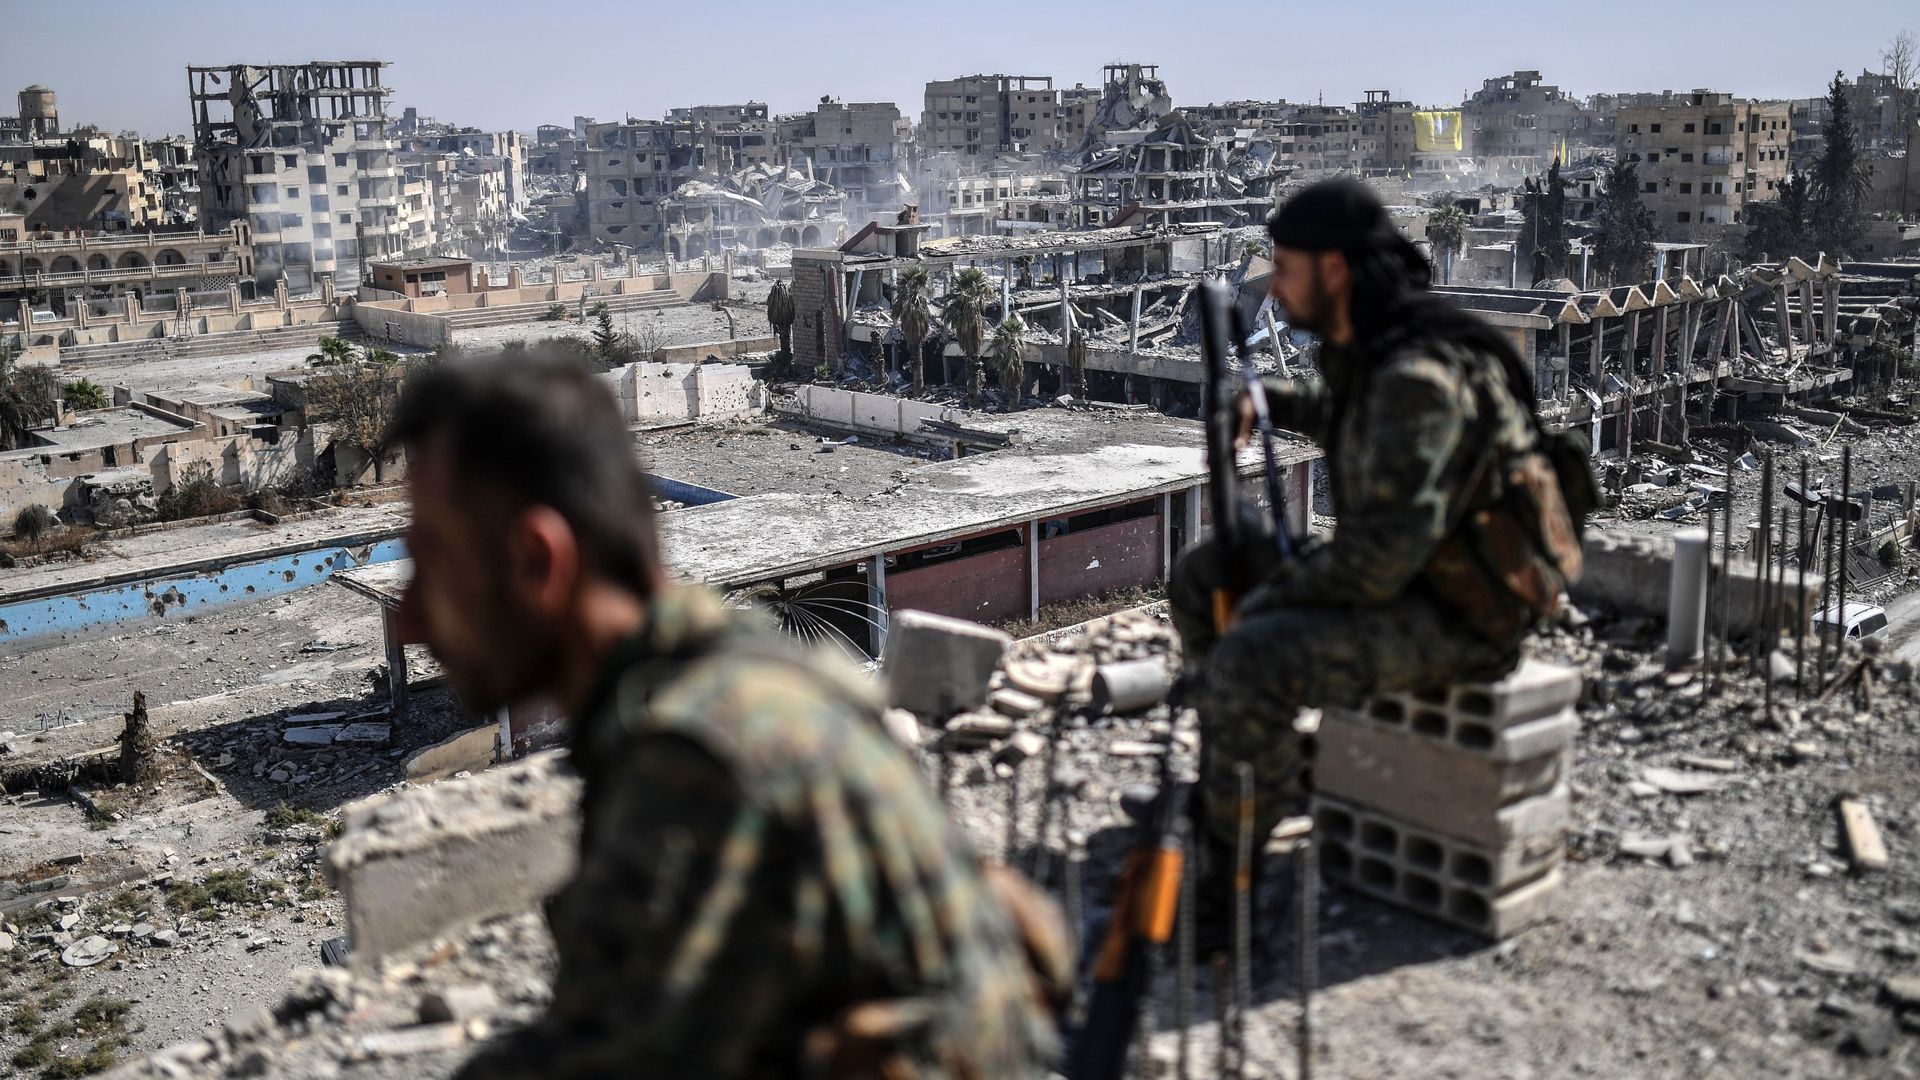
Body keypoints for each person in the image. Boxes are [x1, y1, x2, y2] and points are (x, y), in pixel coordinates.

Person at [389, 353, 1057, 1077]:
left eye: (434, 561)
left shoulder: (694, 757)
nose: (413, 619)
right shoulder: (746, 670)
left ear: (535, 562)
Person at [1168, 178, 1584, 911]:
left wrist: (1270, 603)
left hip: (1460, 614)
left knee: (1250, 656)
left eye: (1287, 268)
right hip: (1415, 580)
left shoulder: (1414, 375)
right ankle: (1265, 769)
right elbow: (1351, 422)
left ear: (1334, 270)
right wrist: (1268, 403)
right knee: (1208, 576)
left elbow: (1373, 563)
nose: (1276, 284)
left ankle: (1221, 880)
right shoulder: (1378, 351)